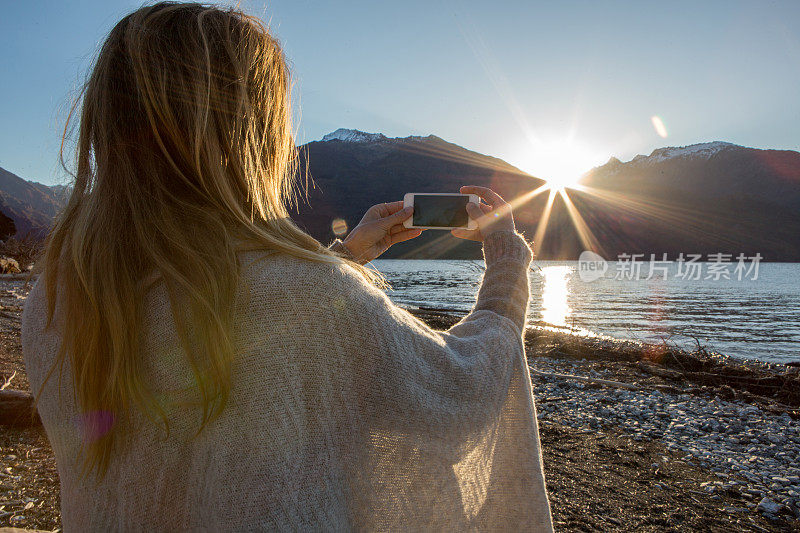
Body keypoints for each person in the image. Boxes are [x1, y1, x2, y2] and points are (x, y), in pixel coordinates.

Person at [21, 2, 553, 531]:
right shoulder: (309, 298)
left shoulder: (58, 298)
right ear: (251, 134)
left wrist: (346, 259)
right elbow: (461, 391)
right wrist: (506, 260)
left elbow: (246, 323)